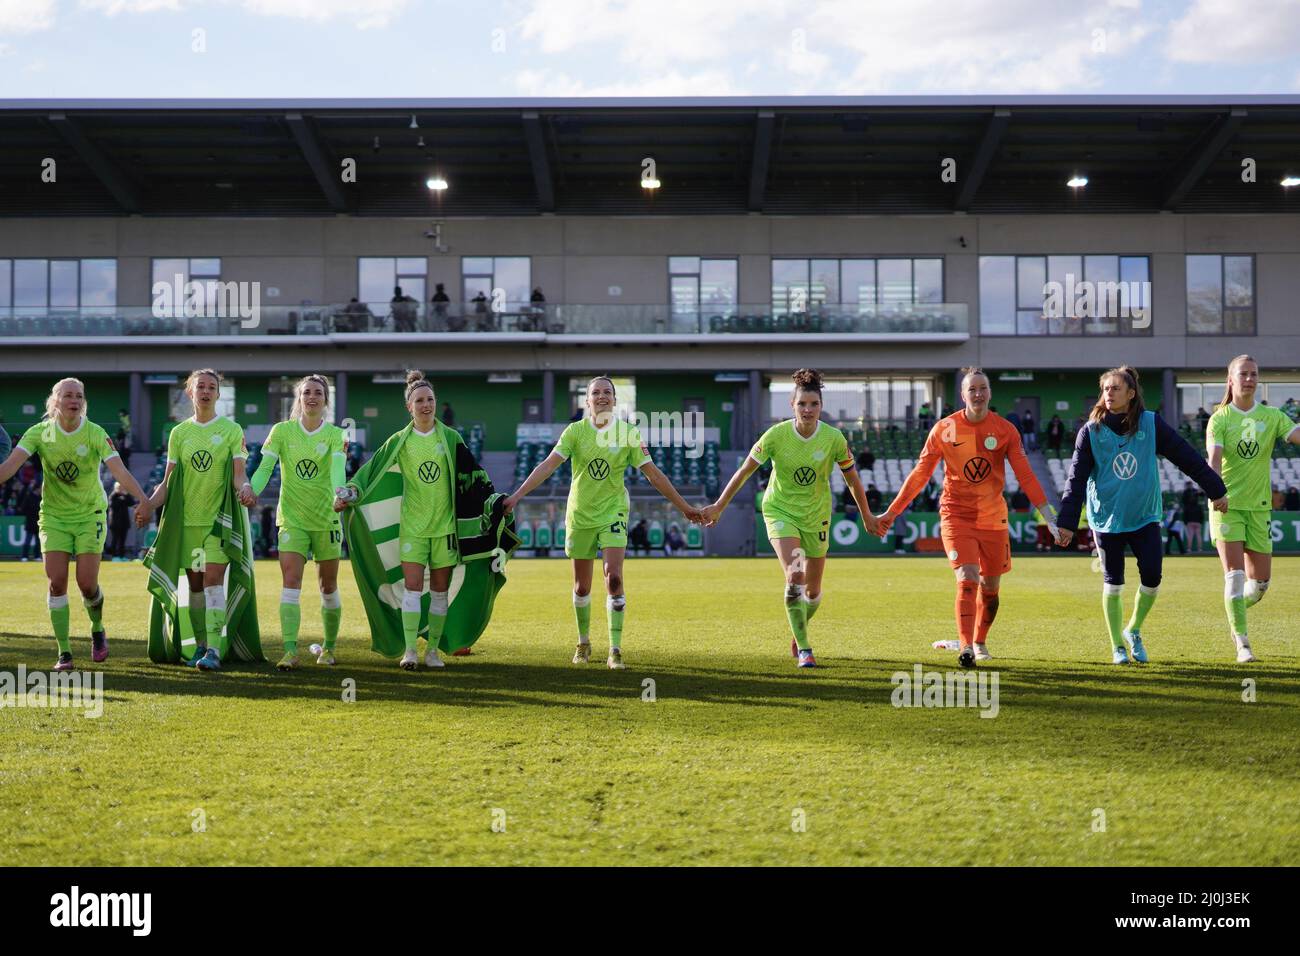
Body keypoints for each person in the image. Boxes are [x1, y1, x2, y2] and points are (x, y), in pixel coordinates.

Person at [505, 375, 700, 669]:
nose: (601, 397)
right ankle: (583, 643)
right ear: (587, 401)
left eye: (607, 392)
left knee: (614, 578)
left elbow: (654, 474)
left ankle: (615, 649)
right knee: (582, 587)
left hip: (613, 513)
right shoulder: (575, 432)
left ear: (614, 399)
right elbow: (547, 466)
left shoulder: (627, 434)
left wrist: (684, 507)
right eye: (595, 392)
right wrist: (518, 495)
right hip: (580, 514)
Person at [877, 367, 1053, 669]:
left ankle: (981, 639)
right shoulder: (944, 429)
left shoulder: (1005, 430)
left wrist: (1049, 517)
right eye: (972, 389)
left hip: (993, 518)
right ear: (963, 395)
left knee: (991, 589)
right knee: (968, 578)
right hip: (956, 515)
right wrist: (892, 512)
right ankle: (967, 647)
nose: (978, 394)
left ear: (990, 392)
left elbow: (1025, 475)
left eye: (983, 388)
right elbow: (920, 475)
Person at [703, 369, 879, 669]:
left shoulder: (834, 439)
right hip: (781, 511)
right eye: (802, 404)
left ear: (821, 406)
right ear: (792, 405)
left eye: (813, 404)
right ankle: (806, 650)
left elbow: (852, 480)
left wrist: (867, 515)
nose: (808, 410)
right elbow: (745, 470)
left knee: (812, 591)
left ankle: (798, 630)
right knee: (795, 577)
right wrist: (720, 505)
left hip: (817, 515)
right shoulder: (776, 436)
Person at [1055, 367, 1227, 664]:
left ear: (1131, 394)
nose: (1108, 394)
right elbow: (1075, 480)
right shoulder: (1090, 432)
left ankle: (1133, 629)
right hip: (1107, 519)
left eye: (1115, 389)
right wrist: (1068, 523)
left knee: (1152, 577)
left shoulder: (1151, 424)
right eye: (1105, 389)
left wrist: (1215, 489)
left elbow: (1187, 458)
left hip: (1145, 516)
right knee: (1113, 581)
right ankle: (1117, 647)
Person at [0, 379, 152, 670]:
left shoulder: (95, 433)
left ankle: (97, 628)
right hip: (54, 516)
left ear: (84, 402)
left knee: (86, 584)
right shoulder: (39, 433)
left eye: (79, 396)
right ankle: (64, 652)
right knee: (56, 583)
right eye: (67, 395)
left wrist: (144, 499)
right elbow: (9, 468)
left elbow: (119, 469)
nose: (74, 400)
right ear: (54, 401)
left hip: (89, 514)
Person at [142, 369, 255, 672]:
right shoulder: (179, 434)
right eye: (200, 387)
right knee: (195, 588)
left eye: (212, 387)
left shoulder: (232, 430)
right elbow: (167, 482)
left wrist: (245, 488)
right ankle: (202, 646)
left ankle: (214, 651)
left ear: (219, 394)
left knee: (213, 582)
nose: (206, 391)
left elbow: (239, 474)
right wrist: (149, 505)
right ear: (190, 393)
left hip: (218, 522)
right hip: (187, 524)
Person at [247, 375, 348, 670]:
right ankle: (290, 651)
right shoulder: (281, 432)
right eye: (307, 392)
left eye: (318, 393)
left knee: (327, 587)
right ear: (299, 398)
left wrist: (338, 495)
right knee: (291, 583)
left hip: (327, 520)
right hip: (291, 519)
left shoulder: (336, 435)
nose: (312, 397)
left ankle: (328, 649)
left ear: (325, 400)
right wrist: (251, 489)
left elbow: (337, 473)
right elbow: (265, 467)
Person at [1206, 355, 1300, 662]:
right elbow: (1214, 459)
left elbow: (1297, 436)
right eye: (1243, 374)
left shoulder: (1272, 416)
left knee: (1259, 586)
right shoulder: (1220, 418)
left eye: (1254, 374)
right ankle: (1242, 643)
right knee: (1233, 576)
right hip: (1227, 505)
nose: (1249, 379)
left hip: (1259, 508)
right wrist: (1217, 491)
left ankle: (1234, 609)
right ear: (1230, 380)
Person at [107, 482, 136, 559]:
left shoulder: (125, 496)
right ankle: (113, 556)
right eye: (120, 487)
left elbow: (132, 503)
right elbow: (112, 505)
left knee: (122, 541)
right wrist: (121, 500)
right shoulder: (113, 496)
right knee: (115, 540)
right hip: (115, 523)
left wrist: (126, 495)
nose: (121, 489)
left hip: (124, 522)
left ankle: (121, 556)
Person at [19, 481, 41, 561]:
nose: (41, 490)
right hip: (30, 523)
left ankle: (37, 556)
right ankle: (24, 556)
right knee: (27, 541)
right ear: (37, 489)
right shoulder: (28, 497)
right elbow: (23, 509)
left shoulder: (41, 498)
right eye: (40, 489)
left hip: (39, 523)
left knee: (38, 542)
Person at [1181, 484, 1205, 553]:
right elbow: (1202, 515)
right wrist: (1201, 522)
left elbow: (1185, 515)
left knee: (1190, 536)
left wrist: (1186, 522)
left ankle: (1189, 549)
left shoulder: (1187, 507)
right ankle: (1200, 549)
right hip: (1198, 522)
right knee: (1198, 536)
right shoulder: (1199, 506)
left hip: (1190, 522)